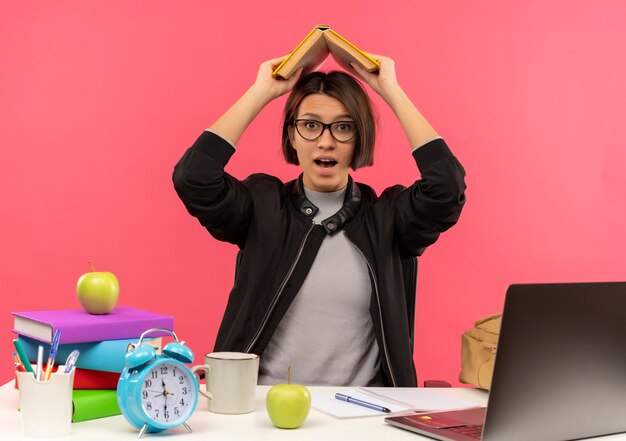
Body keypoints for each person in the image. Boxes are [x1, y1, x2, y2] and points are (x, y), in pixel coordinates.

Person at [173, 54, 466, 387]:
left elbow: (447, 187)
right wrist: (261, 91)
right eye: (310, 125)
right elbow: (193, 177)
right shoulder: (263, 206)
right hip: (258, 409)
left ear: (360, 138)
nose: (326, 142)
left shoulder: (388, 218)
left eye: (344, 127)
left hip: (363, 415)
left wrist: (391, 90)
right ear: (292, 136)